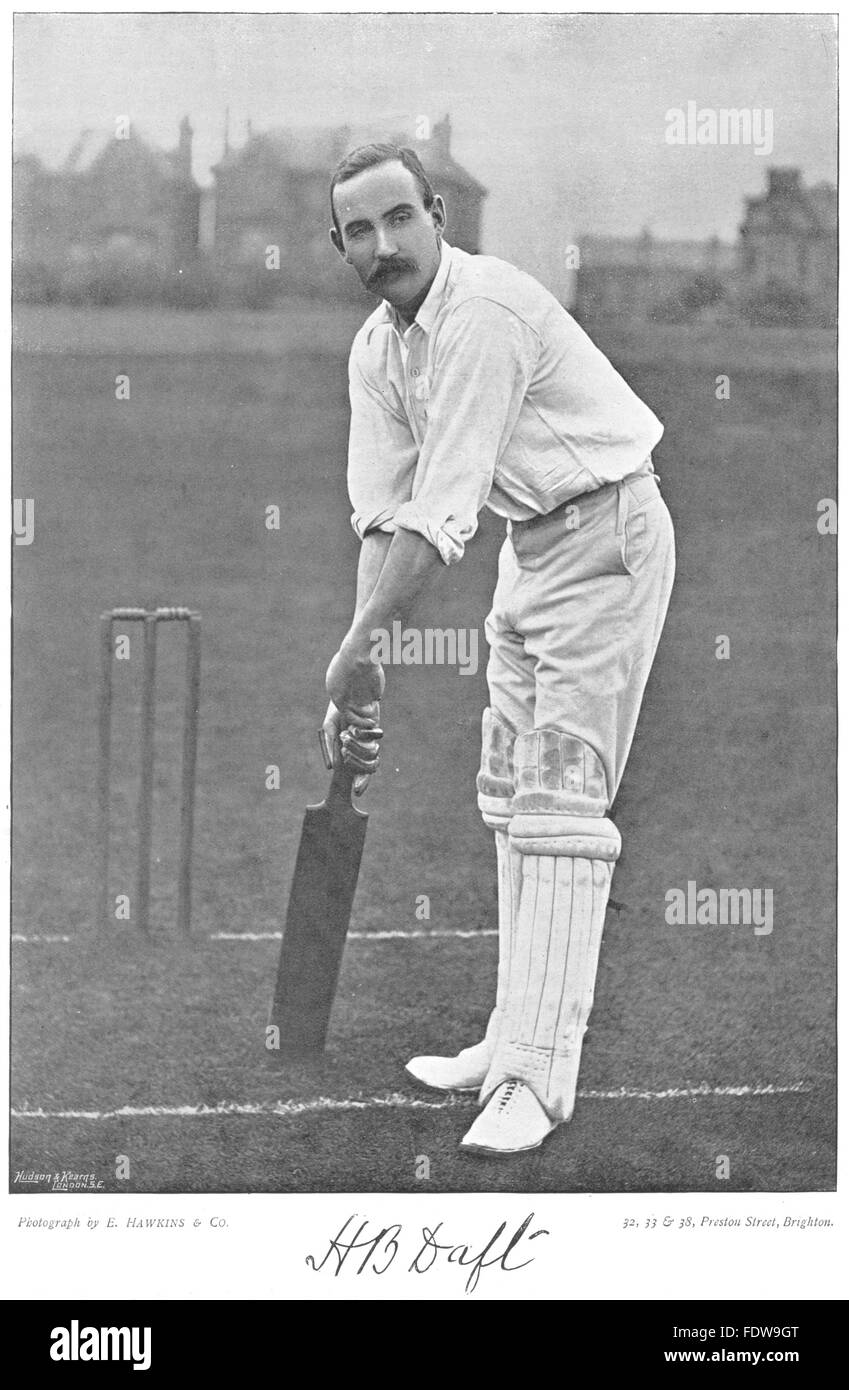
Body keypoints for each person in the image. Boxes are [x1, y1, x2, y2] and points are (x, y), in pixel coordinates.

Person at [322, 142, 675, 1155]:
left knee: (562, 808)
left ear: (439, 215)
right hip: (534, 549)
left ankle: (535, 1079)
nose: (384, 244)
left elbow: (442, 514)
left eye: (400, 217)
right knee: (509, 798)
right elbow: (382, 516)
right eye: (360, 229)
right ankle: (507, 1035)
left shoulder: (481, 315)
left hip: (606, 537)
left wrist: (354, 648)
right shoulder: (378, 352)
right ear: (339, 244)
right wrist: (366, 660)